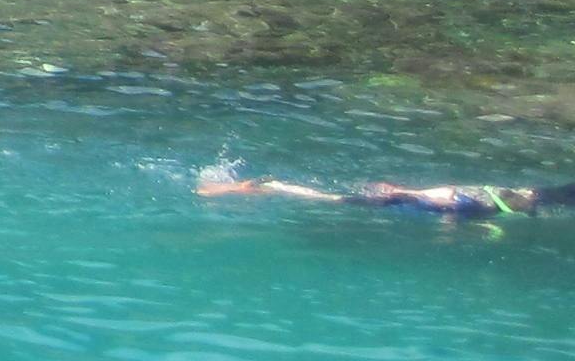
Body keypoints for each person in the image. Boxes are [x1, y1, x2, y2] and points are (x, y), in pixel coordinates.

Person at [202, 170, 575, 220]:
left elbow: (448, 195)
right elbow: (445, 197)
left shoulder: (496, 196)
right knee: (325, 199)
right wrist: (401, 191)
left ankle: (262, 186)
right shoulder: (477, 204)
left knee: (329, 197)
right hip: (399, 200)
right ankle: (261, 186)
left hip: (405, 197)